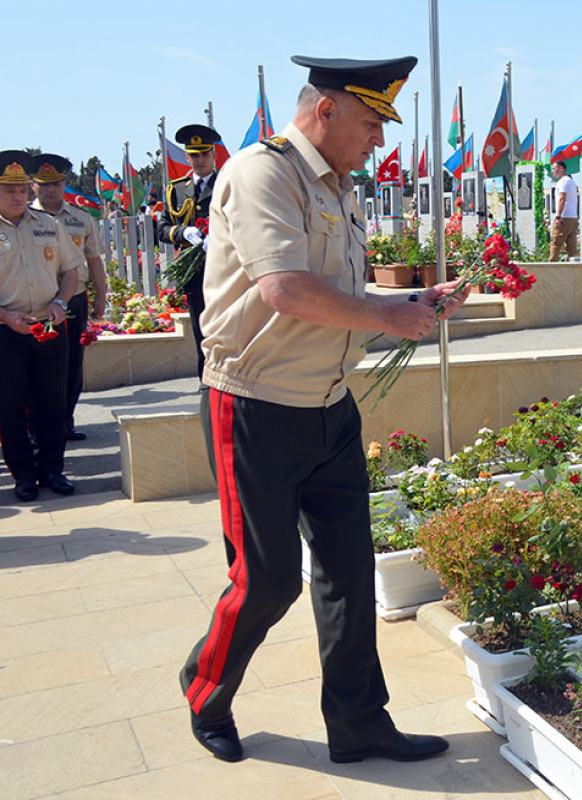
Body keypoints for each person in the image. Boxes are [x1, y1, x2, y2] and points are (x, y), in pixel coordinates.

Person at [181, 54, 466, 766]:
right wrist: (382, 315)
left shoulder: (339, 187)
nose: (379, 140)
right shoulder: (261, 173)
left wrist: (410, 305)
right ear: (327, 110)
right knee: (268, 579)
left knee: (348, 572)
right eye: (372, 122)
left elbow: (340, 291)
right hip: (255, 407)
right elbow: (284, 289)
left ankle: (359, 721)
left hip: (331, 408)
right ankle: (204, 689)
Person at [0, 150, 82, 501]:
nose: (19, 197)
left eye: (22, 190)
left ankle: (53, 469)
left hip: (48, 326)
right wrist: (4, 316)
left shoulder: (50, 224)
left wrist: (61, 303)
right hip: (7, 329)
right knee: (11, 405)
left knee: (53, 401)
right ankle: (23, 475)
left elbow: (70, 271)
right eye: (9, 191)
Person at [31, 154, 107, 441]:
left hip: (74, 299)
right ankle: (38, 427)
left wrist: (100, 296)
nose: (49, 190)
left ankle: (65, 421)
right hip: (37, 302)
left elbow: (94, 261)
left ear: (64, 185)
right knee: (38, 366)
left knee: (72, 364)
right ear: (32, 186)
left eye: (55, 184)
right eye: (43, 185)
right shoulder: (22, 217)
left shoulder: (80, 218)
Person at [157, 123, 222, 378]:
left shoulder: (227, 183)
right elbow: (162, 228)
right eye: (194, 155)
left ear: (214, 154)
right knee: (200, 327)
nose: (200, 160)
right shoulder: (176, 189)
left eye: (205, 153)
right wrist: (183, 233)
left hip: (224, 266)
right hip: (194, 271)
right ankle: (206, 379)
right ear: (186, 157)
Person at [549, 160, 578, 261]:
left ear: (561, 169)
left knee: (555, 243)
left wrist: (558, 216)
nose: (552, 171)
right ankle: (573, 270)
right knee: (572, 247)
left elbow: (562, 198)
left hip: (564, 217)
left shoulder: (563, 182)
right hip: (573, 217)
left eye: (554, 168)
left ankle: (552, 268)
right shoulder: (571, 181)